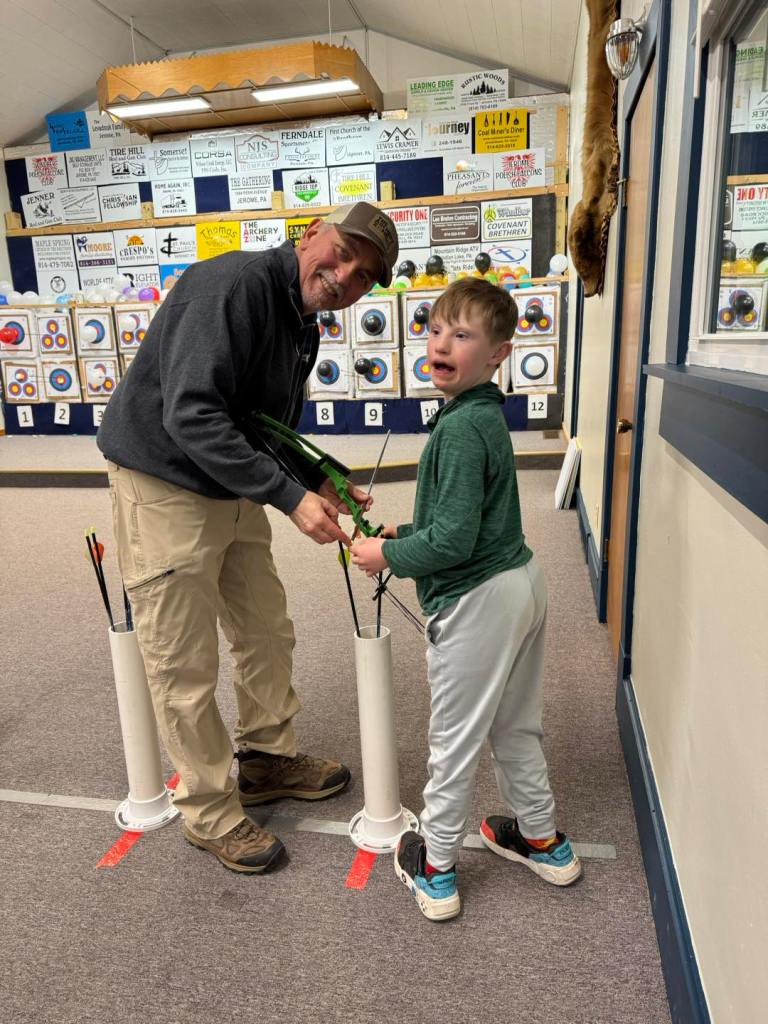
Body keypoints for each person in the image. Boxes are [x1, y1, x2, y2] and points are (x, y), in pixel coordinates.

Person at [98, 202, 399, 875]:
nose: (345, 275)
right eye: (343, 251)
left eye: (363, 276)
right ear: (314, 231)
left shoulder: (302, 321)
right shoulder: (230, 287)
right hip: (165, 481)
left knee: (265, 628)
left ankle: (263, 762)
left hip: (231, 485)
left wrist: (321, 479)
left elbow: (262, 425)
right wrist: (289, 497)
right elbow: (193, 414)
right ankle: (208, 811)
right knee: (182, 659)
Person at [351, 277, 581, 921]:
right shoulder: (478, 415)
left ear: (498, 354)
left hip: (479, 601)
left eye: (463, 333)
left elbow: (452, 542)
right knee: (515, 725)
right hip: (522, 584)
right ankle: (543, 840)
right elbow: (466, 517)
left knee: (452, 740)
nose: (442, 342)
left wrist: (386, 556)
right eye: (435, 328)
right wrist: (403, 532)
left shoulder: (457, 429)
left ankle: (437, 867)